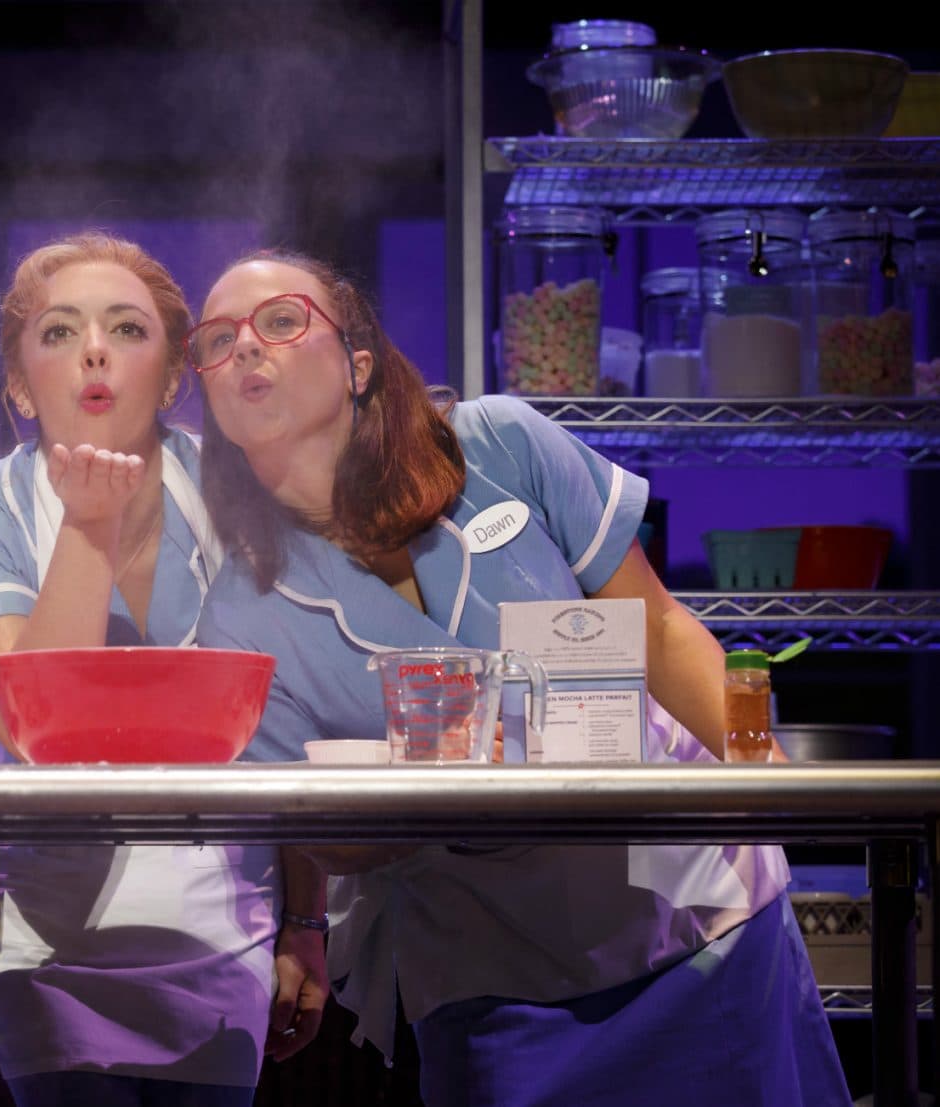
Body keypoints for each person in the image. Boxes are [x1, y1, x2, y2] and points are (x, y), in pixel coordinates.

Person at [190, 249, 851, 1106]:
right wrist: (443, 782)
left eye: (280, 321)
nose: (245, 346)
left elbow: (660, 628)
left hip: (701, 917)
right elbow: (327, 837)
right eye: (216, 340)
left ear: (358, 364)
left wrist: (766, 772)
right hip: (499, 977)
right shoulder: (239, 617)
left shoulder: (498, 444)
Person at [0, 232, 328, 1107]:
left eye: (127, 329)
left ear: (174, 375)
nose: (96, 350)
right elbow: (29, 726)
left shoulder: (243, 496)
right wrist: (87, 526)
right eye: (60, 332)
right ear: (19, 386)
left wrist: (306, 917)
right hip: (50, 944)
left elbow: (296, 718)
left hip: (225, 931)